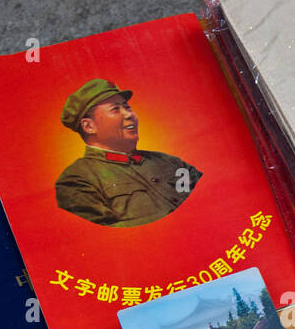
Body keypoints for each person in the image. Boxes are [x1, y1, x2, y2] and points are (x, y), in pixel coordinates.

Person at [54, 78, 202, 228]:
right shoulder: (76, 181)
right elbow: (108, 238)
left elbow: (205, 196)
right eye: (115, 109)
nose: (129, 115)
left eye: (127, 107)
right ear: (89, 126)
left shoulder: (169, 162)